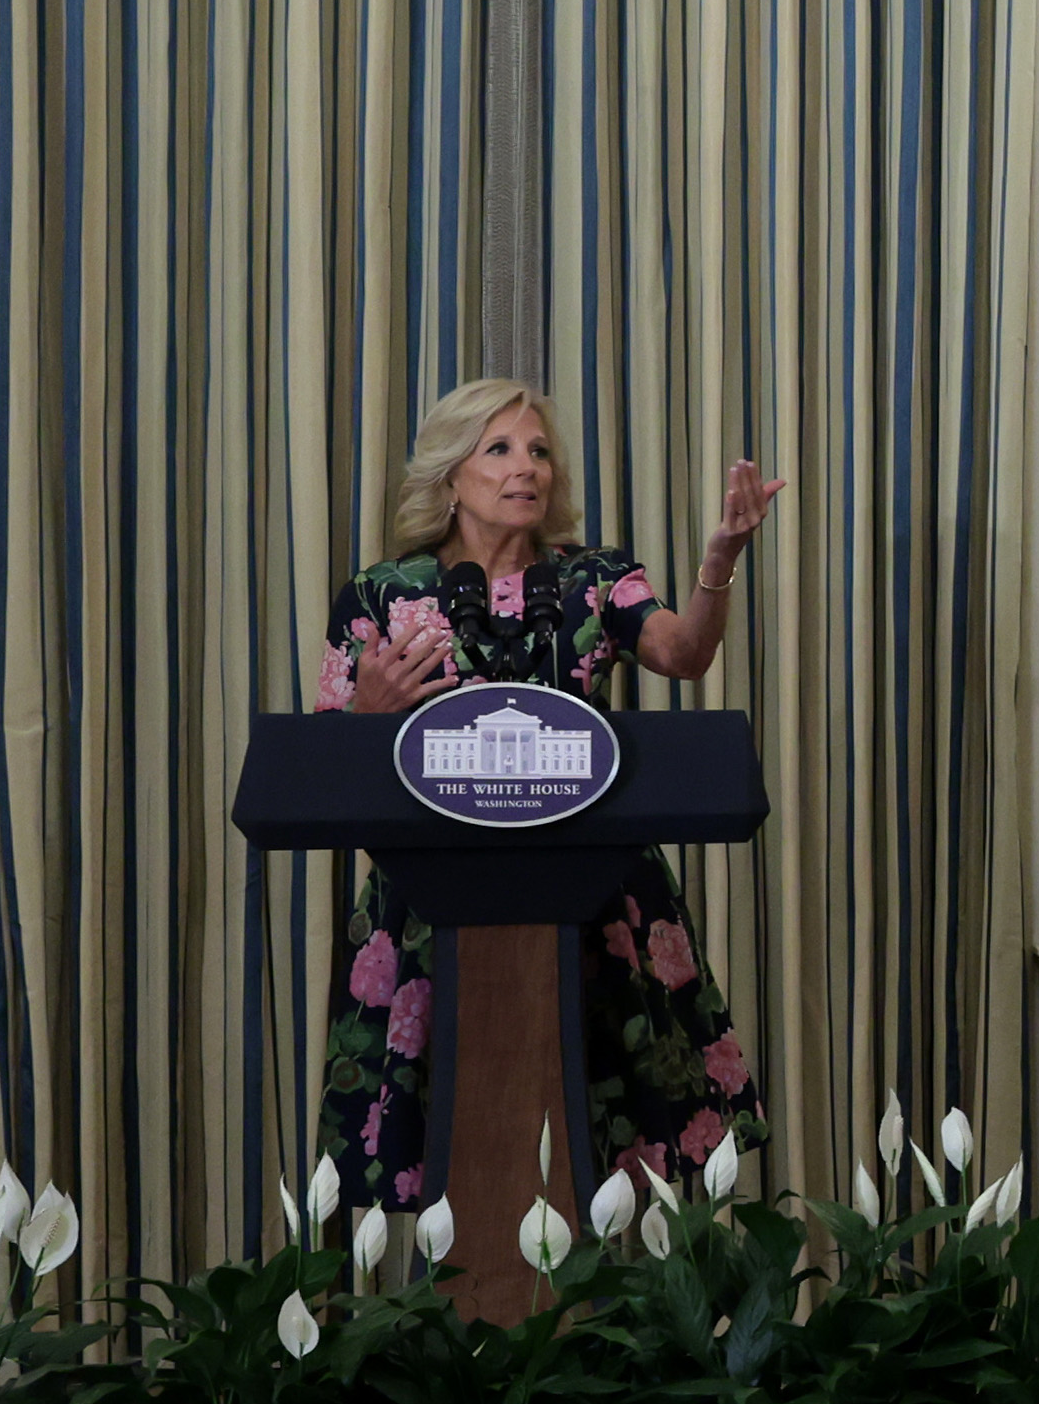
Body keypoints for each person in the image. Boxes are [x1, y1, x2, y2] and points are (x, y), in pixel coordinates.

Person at [312, 378, 782, 1210]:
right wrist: (368, 715)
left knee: (602, 1143)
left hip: (596, 895)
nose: (525, 468)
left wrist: (718, 568)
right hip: (431, 903)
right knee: (450, 1148)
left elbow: (681, 655)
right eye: (498, 450)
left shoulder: (595, 581)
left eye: (538, 452)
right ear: (451, 476)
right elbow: (321, 762)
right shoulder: (382, 595)